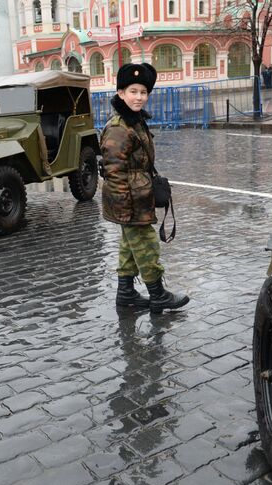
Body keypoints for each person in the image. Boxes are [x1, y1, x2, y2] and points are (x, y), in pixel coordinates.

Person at [101, 63, 190, 314]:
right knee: (147, 245)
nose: (139, 97)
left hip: (138, 195)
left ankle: (126, 294)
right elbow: (114, 171)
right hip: (129, 199)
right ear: (120, 93)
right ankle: (158, 294)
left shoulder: (135, 121)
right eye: (133, 91)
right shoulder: (119, 127)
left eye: (143, 92)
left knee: (130, 247)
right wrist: (123, 207)